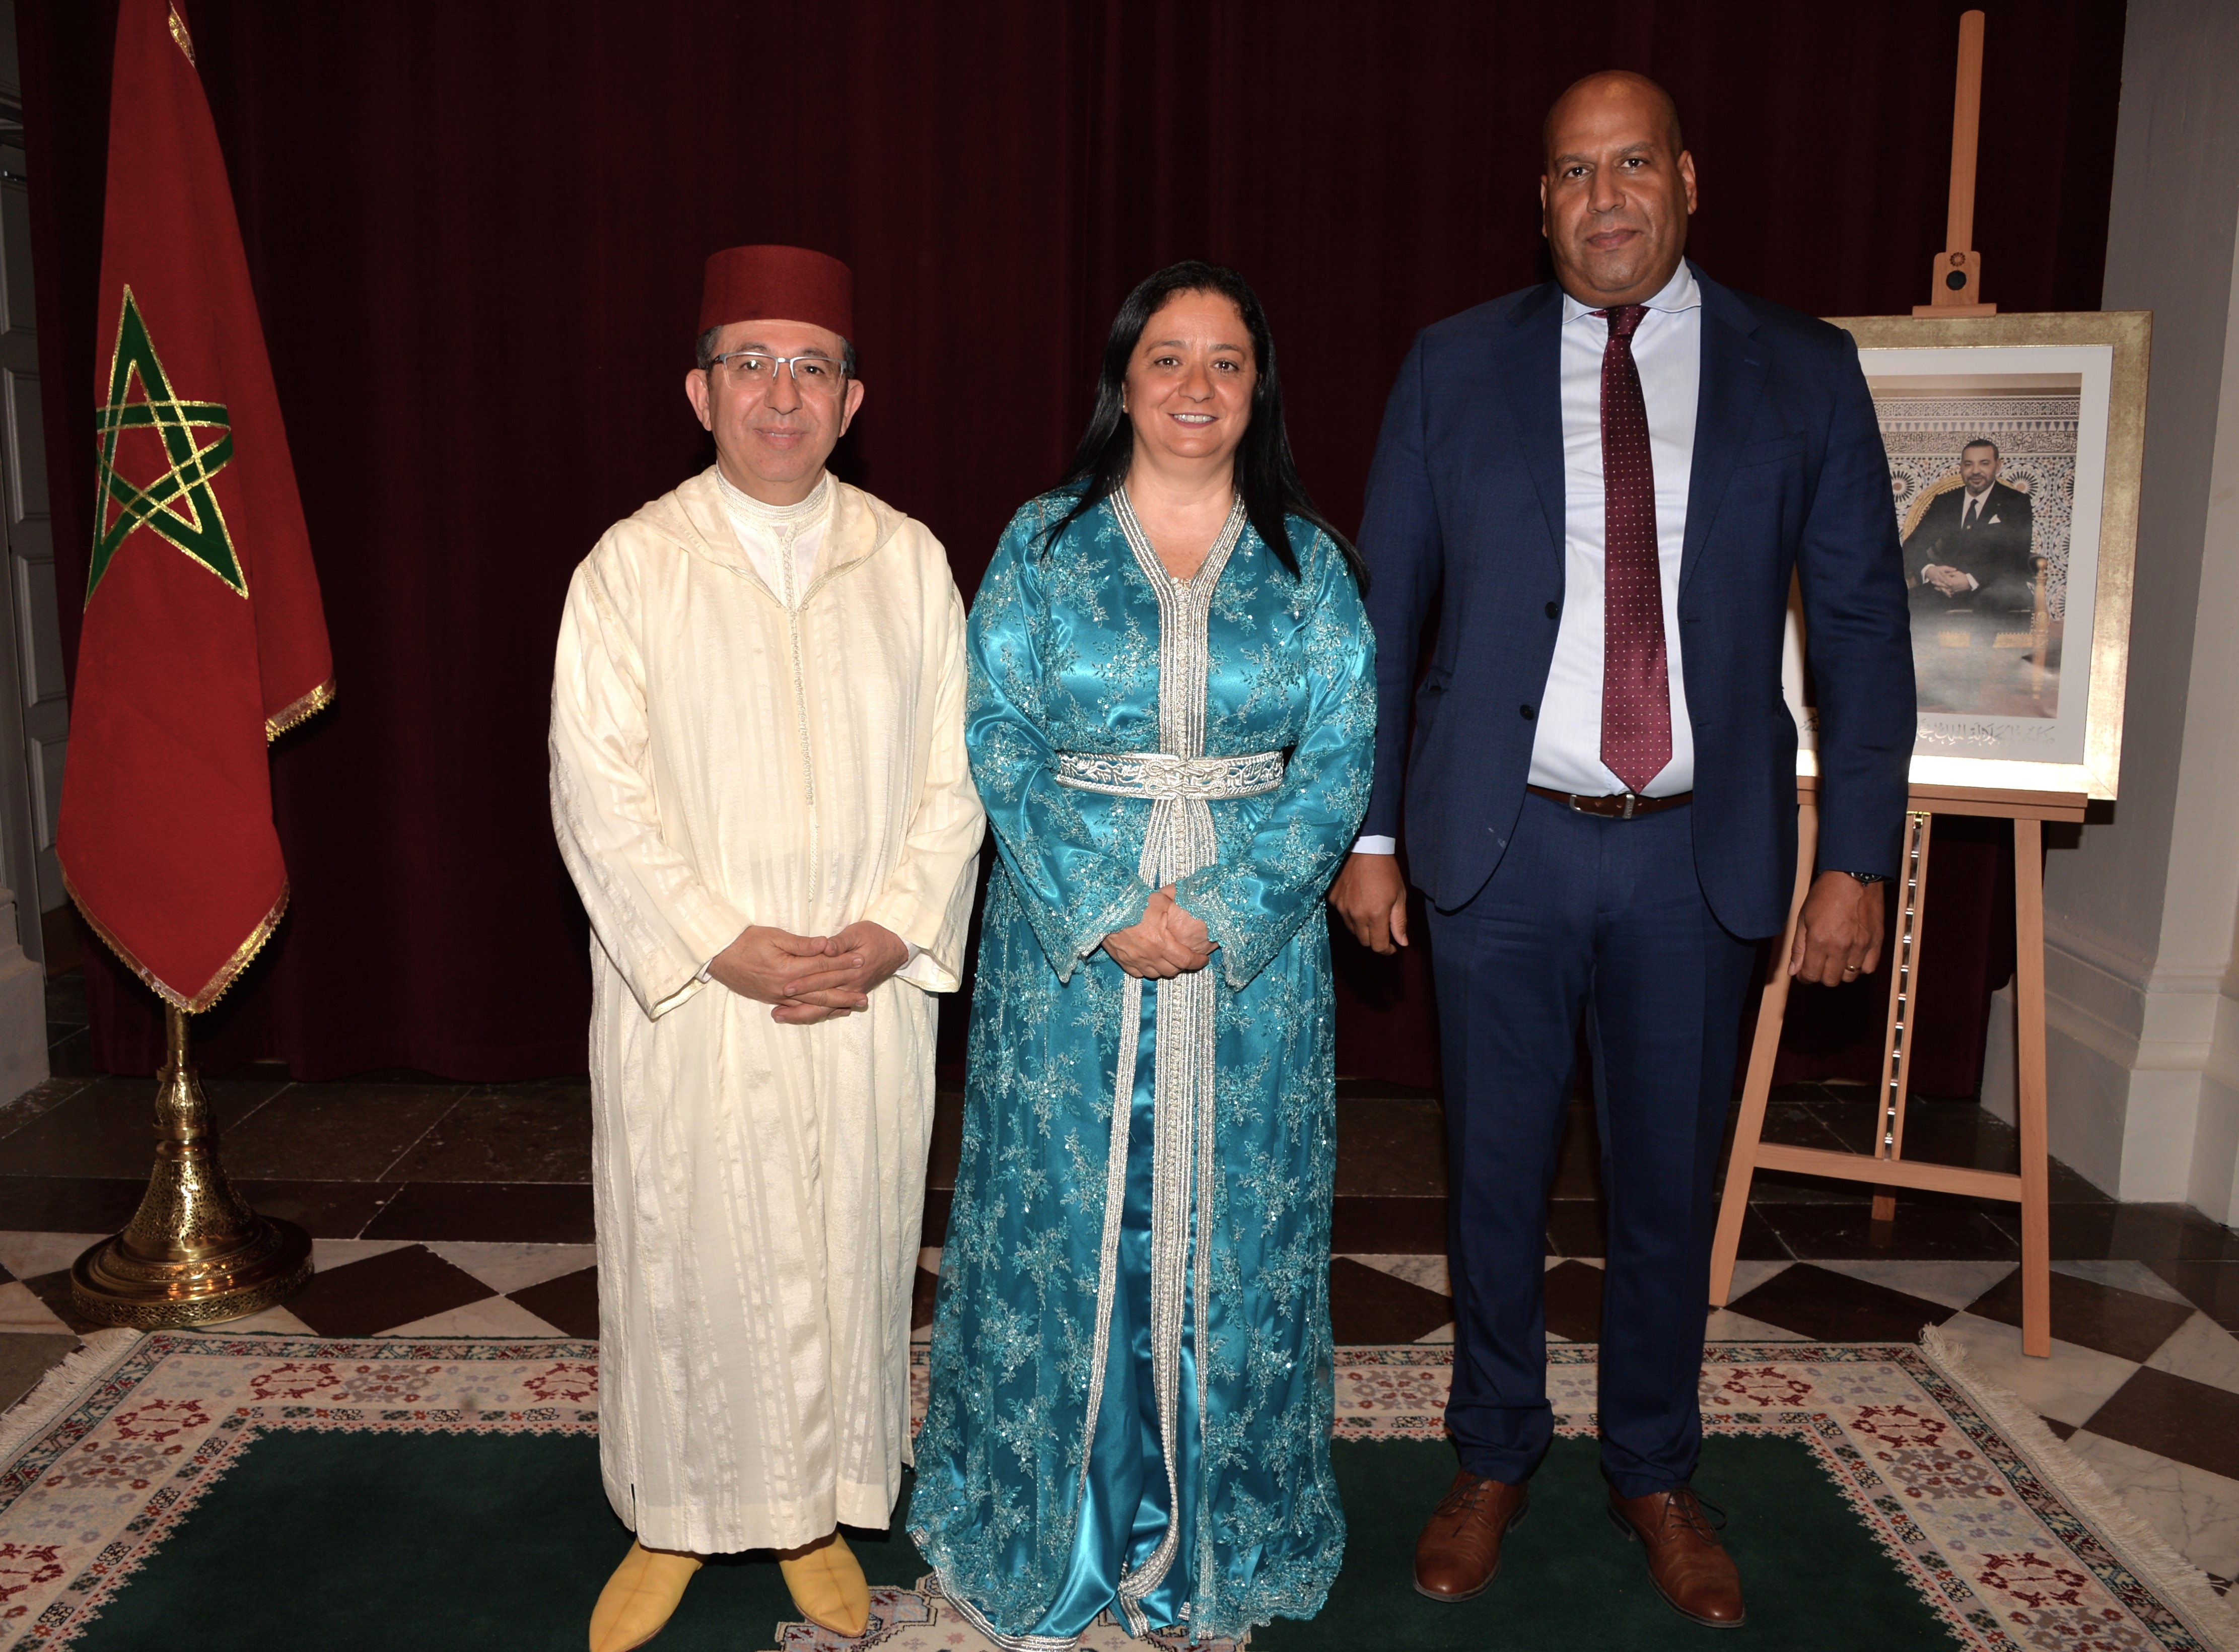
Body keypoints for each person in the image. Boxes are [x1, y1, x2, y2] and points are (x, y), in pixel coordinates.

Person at [1328, 73, 1914, 1627]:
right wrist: (1368, 829)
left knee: (1666, 1188)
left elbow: (1861, 622)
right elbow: (1389, 612)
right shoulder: (1454, 363)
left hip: (1694, 857)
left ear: (1686, 180)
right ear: (1542, 202)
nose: (1604, 198)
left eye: (1632, 163)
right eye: (1573, 172)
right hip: (1501, 845)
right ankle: (1491, 1454)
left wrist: (1856, 857)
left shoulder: (1803, 369)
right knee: (1492, 1178)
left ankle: (1654, 1468)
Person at [909, 261, 1376, 1647]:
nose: (1194, 385)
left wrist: (1224, 907)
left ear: (1258, 389)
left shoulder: (1310, 563)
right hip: (1066, 955)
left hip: (1253, 968)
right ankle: (1048, 1529)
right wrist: (1106, 898)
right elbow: (994, 729)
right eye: (1167, 356)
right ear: (1122, 378)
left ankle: (1216, 1536)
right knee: (1060, 1224)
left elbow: (1340, 755)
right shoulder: (1042, 544)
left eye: (1226, 360)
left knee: (1239, 1240)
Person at [549, 244, 984, 1652]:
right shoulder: (629, 570)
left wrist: (891, 931)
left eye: (812, 367)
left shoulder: (908, 562)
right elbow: (595, 796)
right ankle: (673, 1518)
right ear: (700, 392)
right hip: (694, 1005)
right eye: (751, 363)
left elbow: (958, 777)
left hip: (861, 993)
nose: (780, 394)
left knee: (849, 1246)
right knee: (688, 1259)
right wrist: (716, 942)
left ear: (852, 402)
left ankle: (810, 1519)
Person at [1904, 439, 2040, 711]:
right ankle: (1931, 684)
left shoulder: (2016, 502)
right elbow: (1912, 546)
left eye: (1984, 463)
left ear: (1998, 466)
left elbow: (2015, 555)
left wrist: (1970, 580)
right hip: (1946, 583)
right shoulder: (1946, 502)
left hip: (1996, 585)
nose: (1976, 471)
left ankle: (1967, 688)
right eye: (1969, 464)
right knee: (1909, 603)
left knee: (1989, 600)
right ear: (1961, 468)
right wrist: (1932, 571)